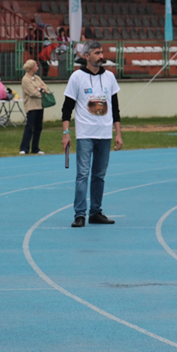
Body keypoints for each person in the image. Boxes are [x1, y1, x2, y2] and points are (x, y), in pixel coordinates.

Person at [61, 40, 123, 228]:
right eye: (97, 53)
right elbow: (66, 108)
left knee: (99, 175)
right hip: (85, 134)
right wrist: (66, 132)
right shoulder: (77, 77)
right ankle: (80, 214)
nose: (101, 56)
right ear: (86, 56)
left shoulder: (110, 77)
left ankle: (96, 212)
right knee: (83, 174)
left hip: (105, 134)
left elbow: (116, 108)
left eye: (102, 52)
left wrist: (118, 133)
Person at [20, 60, 49, 155]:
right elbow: (32, 93)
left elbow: (46, 88)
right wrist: (40, 91)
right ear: (31, 67)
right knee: (30, 127)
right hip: (31, 106)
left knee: (38, 127)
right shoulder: (25, 79)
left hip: (40, 105)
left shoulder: (37, 78)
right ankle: (24, 148)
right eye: (36, 65)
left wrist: (40, 89)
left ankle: (35, 147)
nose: (37, 67)